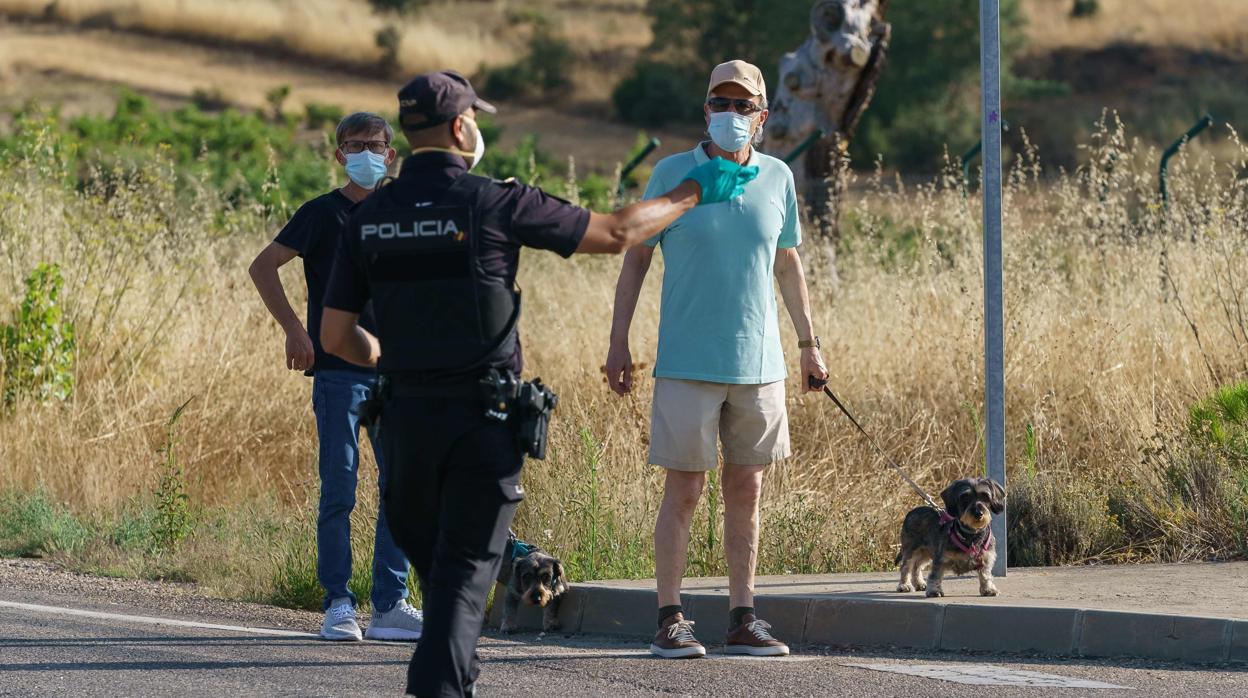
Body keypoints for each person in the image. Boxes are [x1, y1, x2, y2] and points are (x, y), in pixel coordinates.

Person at [319, 70, 760, 698]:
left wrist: (398, 355)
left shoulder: (369, 218)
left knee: (450, 596)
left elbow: (337, 337)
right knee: (457, 599)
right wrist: (694, 190)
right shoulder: (493, 201)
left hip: (404, 432)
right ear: (460, 127)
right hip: (480, 429)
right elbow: (615, 233)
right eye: (474, 118)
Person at [605, 59, 830, 659]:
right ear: (705, 109)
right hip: (686, 361)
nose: (731, 115)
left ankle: (743, 615)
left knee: (747, 490)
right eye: (720, 103)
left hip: (760, 364)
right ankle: (670, 617)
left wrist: (809, 344)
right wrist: (617, 340)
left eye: (743, 106)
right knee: (683, 489)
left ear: (762, 115)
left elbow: (787, 262)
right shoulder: (673, 173)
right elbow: (635, 258)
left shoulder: (778, 176)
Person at [247, 112, 422, 642]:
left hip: (397, 375)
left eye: (375, 144)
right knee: (339, 490)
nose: (366, 152)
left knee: (401, 491)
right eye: (354, 145)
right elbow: (263, 266)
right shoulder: (320, 215)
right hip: (338, 375)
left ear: (391, 155)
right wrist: (294, 330)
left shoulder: (408, 213)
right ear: (340, 155)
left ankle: (391, 605)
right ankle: (339, 603)